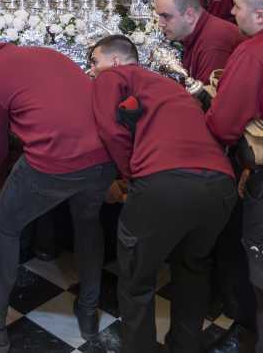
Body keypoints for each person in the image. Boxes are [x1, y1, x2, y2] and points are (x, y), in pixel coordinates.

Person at [0, 32, 115, 350]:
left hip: (52, 161)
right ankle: (88, 312)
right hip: (103, 154)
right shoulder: (46, 52)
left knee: (5, 226)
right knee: (87, 223)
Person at [91, 34, 236, 353]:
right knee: (193, 267)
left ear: (114, 61)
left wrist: (129, 176)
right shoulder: (170, 86)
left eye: (94, 62)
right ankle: (186, 345)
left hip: (163, 184)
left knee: (137, 277)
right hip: (220, 185)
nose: (92, 70)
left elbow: (110, 130)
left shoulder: (113, 76)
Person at [207, 0, 263, 352]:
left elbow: (225, 125)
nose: (231, 12)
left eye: (238, 6)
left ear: (259, 15)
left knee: (256, 258)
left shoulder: (252, 51)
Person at [155, 0, 242, 83]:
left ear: (189, 15)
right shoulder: (193, 34)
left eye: (166, 16)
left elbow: (206, 95)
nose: (160, 24)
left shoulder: (213, 41)